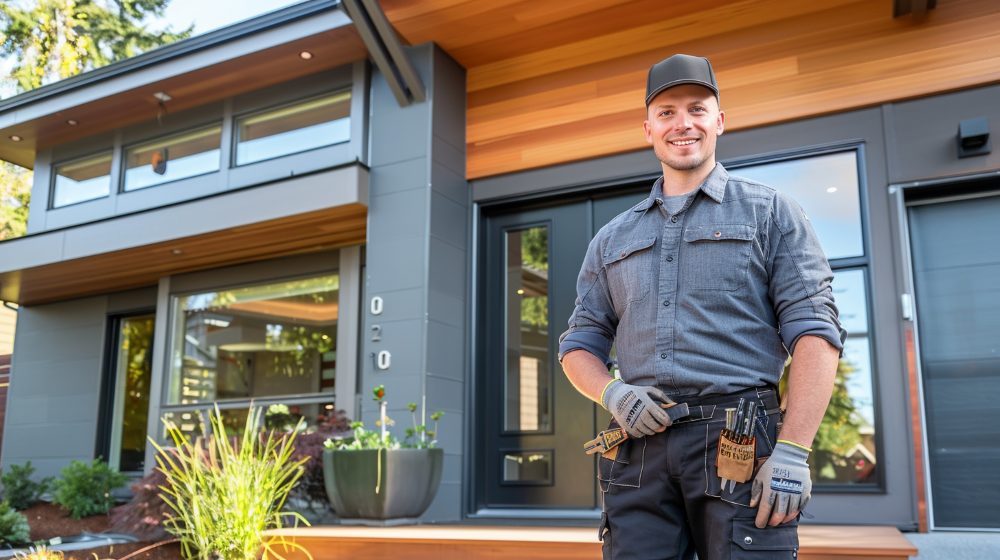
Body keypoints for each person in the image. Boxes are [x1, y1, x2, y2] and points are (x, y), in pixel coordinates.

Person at [558, 54, 846, 560]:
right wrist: (613, 392)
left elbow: (815, 333)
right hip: (639, 446)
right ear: (648, 129)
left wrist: (793, 450)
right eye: (666, 112)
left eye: (697, 109)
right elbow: (578, 344)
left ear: (719, 121)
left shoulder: (770, 212)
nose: (683, 123)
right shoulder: (612, 239)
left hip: (742, 438)